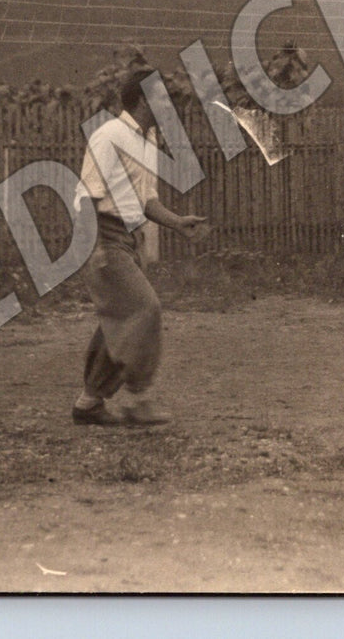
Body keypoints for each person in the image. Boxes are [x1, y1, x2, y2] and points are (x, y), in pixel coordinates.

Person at [70, 69, 208, 427]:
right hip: (105, 236)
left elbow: (145, 200)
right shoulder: (109, 135)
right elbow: (87, 194)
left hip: (129, 240)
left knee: (119, 319)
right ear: (145, 100)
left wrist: (177, 222)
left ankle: (89, 403)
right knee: (145, 309)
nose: (169, 105)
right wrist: (93, 247)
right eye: (163, 97)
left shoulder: (147, 139)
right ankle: (139, 399)